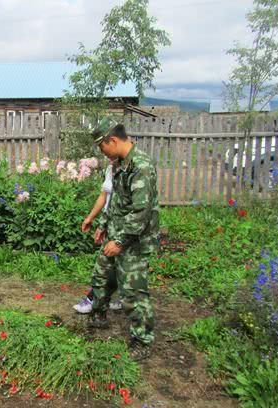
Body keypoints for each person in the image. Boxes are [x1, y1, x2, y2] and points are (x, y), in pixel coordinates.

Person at [87, 119, 159, 361]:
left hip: (134, 242)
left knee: (132, 292)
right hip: (116, 234)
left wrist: (119, 242)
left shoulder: (141, 166)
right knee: (102, 276)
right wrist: (103, 225)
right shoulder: (119, 164)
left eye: (102, 147)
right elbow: (115, 202)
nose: (101, 152)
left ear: (113, 141)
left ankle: (142, 341)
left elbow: (141, 212)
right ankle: (98, 315)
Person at [74, 160, 123, 314]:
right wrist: (92, 218)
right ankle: (100, 298)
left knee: (113, 264)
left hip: (125, 227)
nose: (108, 157)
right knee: (107, 264)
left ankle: (97, 299)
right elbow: (104, 196)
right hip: (110, 223)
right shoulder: (110, 169)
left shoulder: (132, 169)